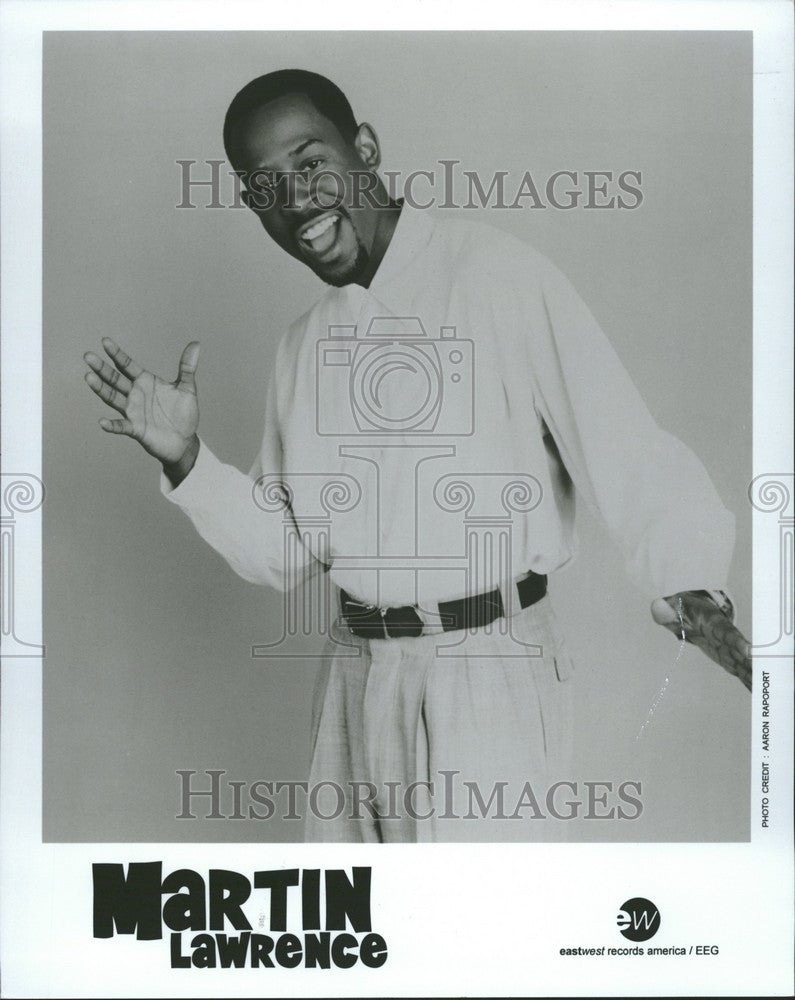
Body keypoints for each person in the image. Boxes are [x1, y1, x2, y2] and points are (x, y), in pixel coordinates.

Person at [83, 69, 750, 843]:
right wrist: (188, 460)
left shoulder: (497, 274)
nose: (295, 199)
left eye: (309, 163)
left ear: (363, 147)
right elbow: (287, 550)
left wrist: (692, 582)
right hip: (353, 676)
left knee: (481, 945)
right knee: (365, 941)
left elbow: (623, 445)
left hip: (488, 676)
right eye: (264, 186)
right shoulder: (302, 344)